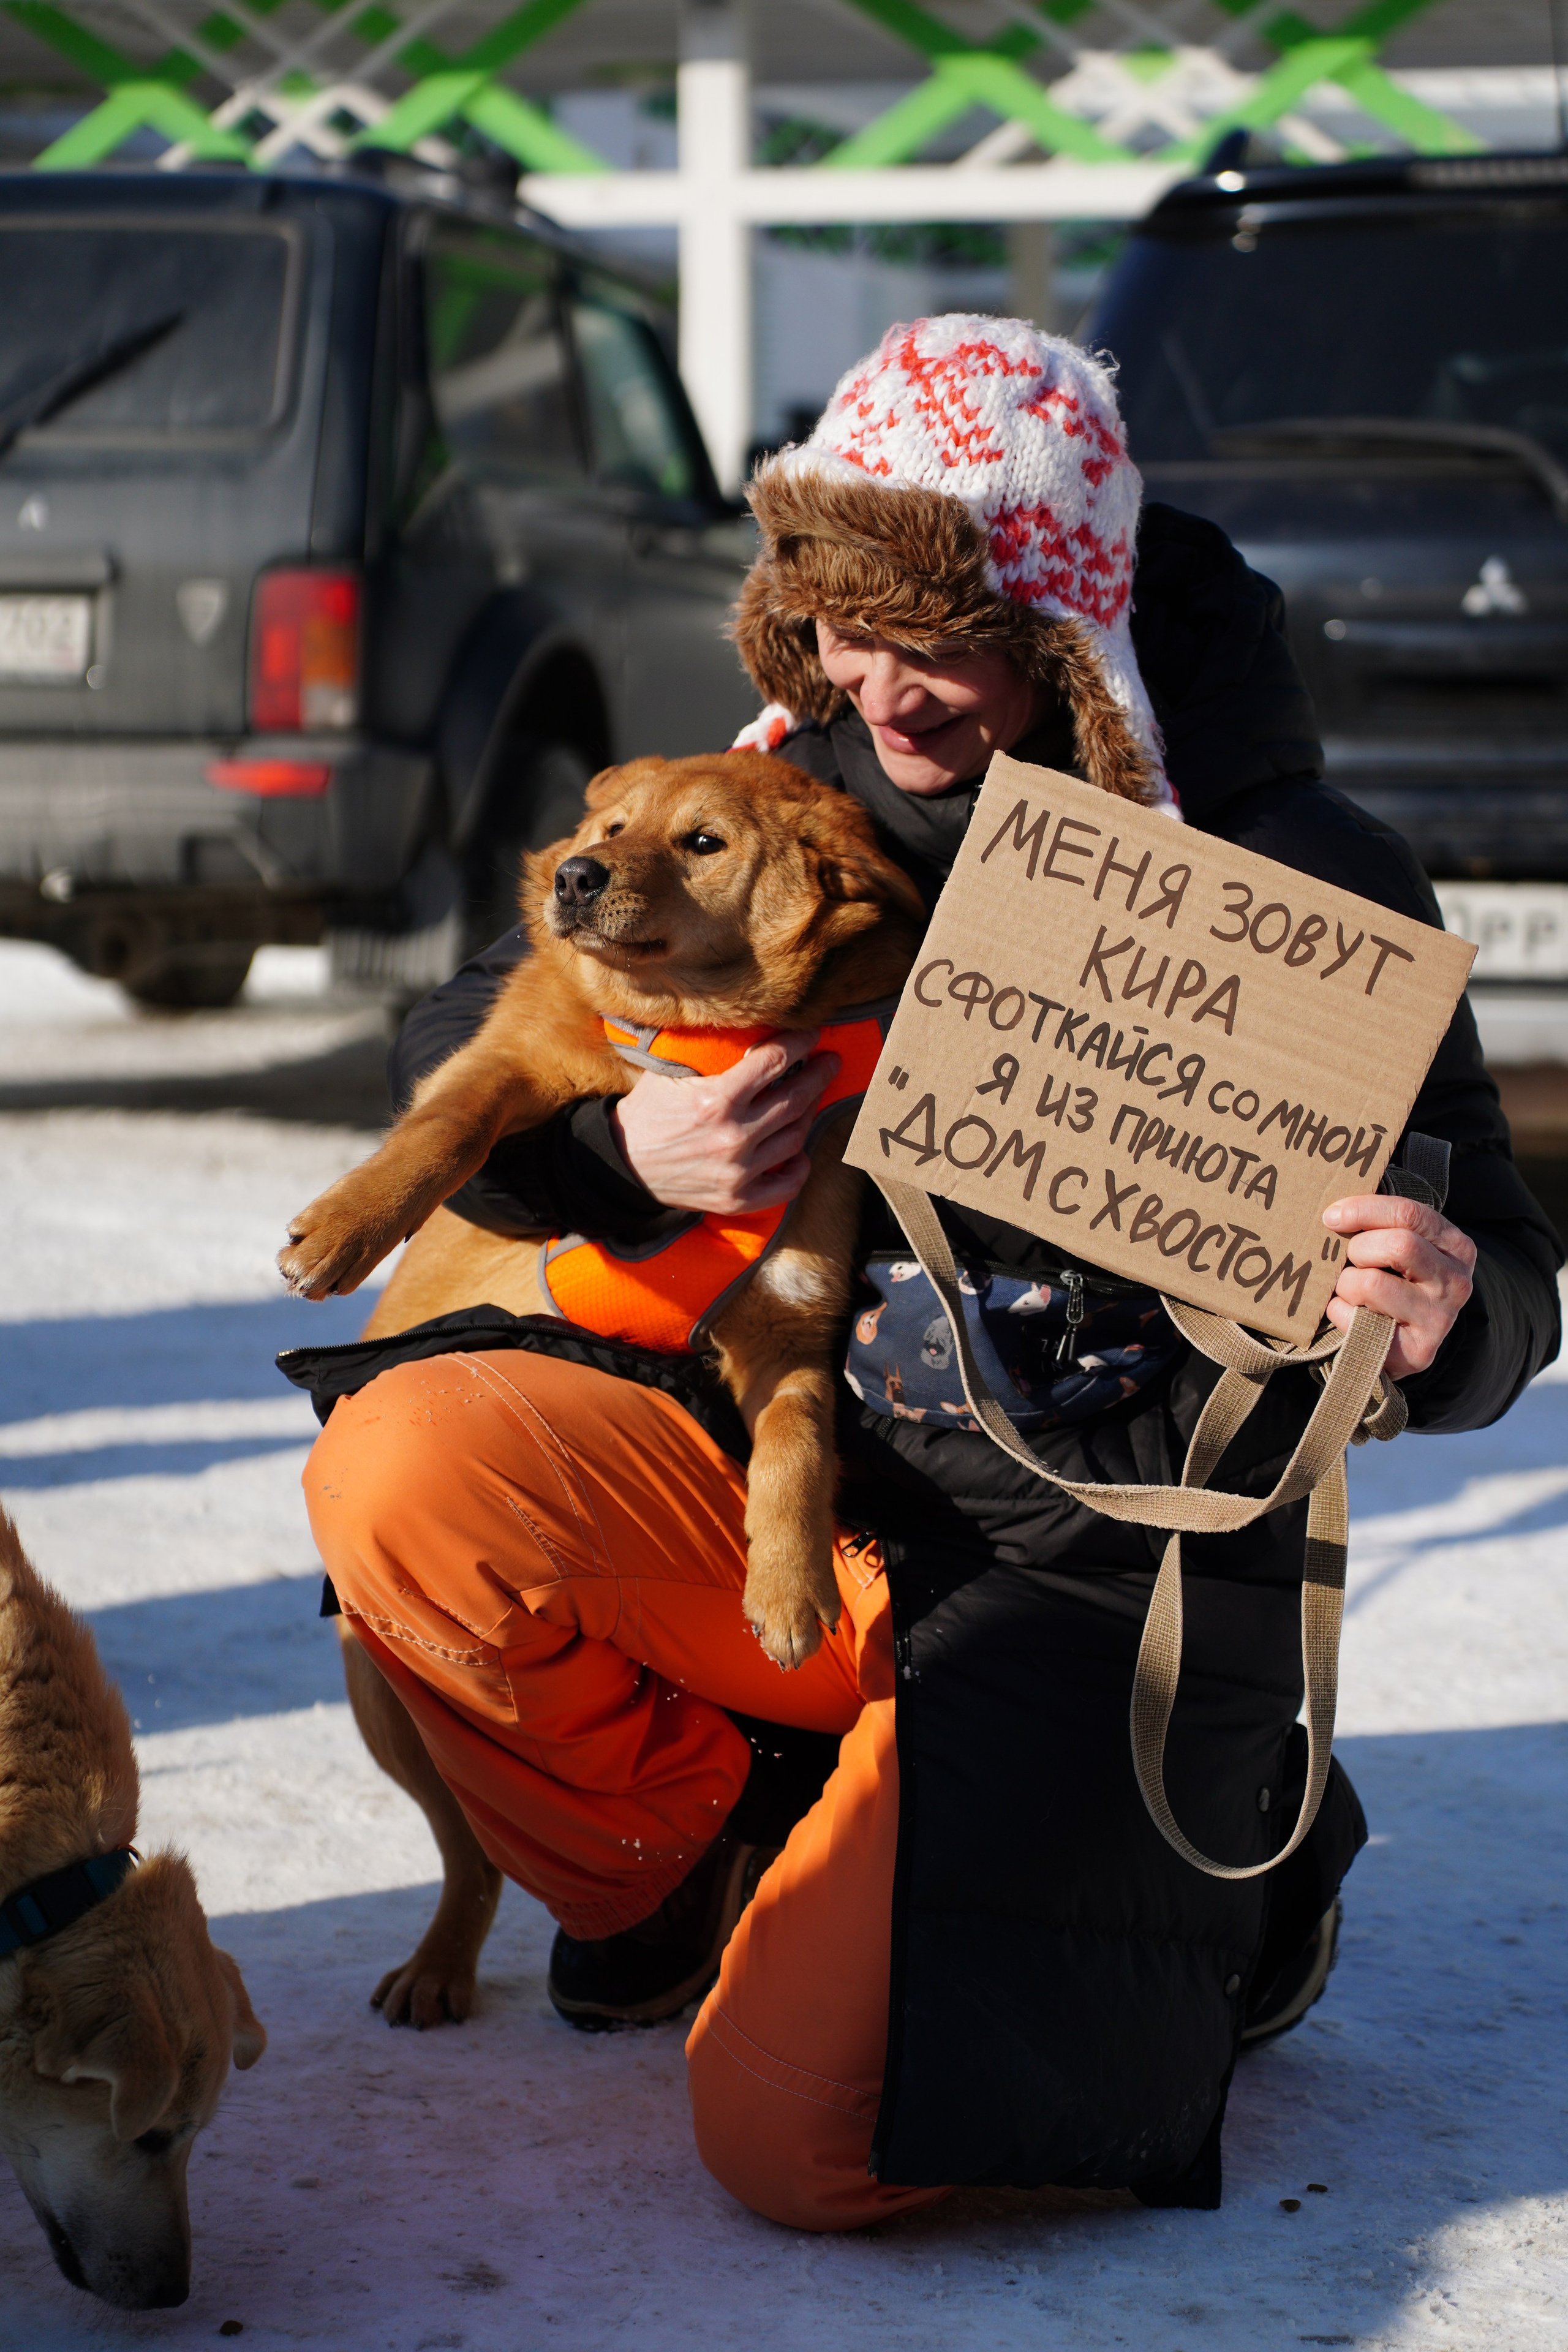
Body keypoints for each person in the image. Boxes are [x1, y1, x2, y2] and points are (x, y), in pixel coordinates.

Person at [303, 318, 1561, 2228]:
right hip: (790, 1495)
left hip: (1093, 1569)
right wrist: (622, 1159)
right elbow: (458, 1028)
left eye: (936, 639)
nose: (878, 684)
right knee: (407, 1471)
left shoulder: (1291, 865)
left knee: (797, 2145)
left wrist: (1454, 1308)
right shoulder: (781, 788)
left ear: (1062, 626)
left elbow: (1515, 1270)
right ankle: (689, 1863)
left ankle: (1247, 1873)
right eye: (837, 630)